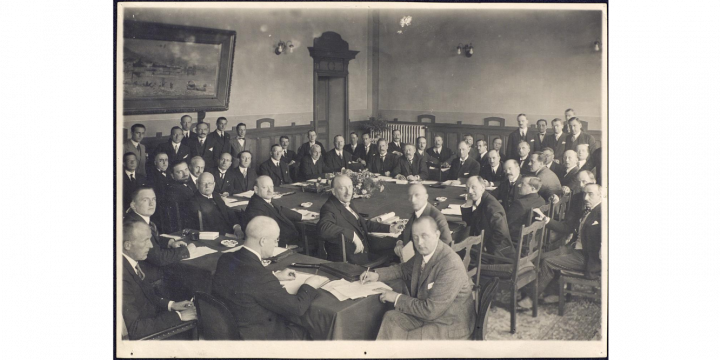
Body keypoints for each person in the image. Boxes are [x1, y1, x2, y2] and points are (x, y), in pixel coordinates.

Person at [212, 216, 329, 340]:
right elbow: (297, 308)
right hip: (260, 339)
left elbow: (245, 280)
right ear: (263, 241)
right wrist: (309, 285)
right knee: (312, 331)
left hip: (233, 331)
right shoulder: (261, 277)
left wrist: (274, 276)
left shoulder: (225, 258)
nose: (276, 244)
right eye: (275, 240)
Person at [362, 217, 475, 340]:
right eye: (415, 237)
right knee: (391, 318)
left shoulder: (450, 265)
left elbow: (430, 311)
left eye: (424, 236)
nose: (419, 242)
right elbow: (403, 270)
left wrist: (396, 297)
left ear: (437, 235)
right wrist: (377, 275)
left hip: (450, 324)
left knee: (405, 339)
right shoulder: (424, 253)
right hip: (431, 316)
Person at [521, 183, 602, 306]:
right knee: (542, 257)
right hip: (575, 248)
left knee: (548, 262)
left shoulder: (602, 212)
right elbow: (567, 227)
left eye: (590, 194)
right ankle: (553, 293)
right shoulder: (588, 210)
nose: (585, 198)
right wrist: (545, 219)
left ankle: (530, 299)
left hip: (589, 258)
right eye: (585, 193)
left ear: (600, 195)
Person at [122, 220, 196, 340]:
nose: (151, 246)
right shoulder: (121, 277)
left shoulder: (129, 262)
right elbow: (135, 329)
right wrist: (179, 316)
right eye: (145, 241)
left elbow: (146, 296)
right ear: (127, 245)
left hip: (152, 318)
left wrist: (172, 305)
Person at [317, 175, 403, 264]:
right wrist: (352, 235)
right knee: (397, 253)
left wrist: (390, 228)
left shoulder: (346, 202)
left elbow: (363, 223)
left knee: (399, 243)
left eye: (350, 187)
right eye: (342, 188)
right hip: (353, 258)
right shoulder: (329, 207)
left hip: (365, 246)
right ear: (333, 192)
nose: (348, 192)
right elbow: (323, 228)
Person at [124, 187, 195, 279]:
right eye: (145, 200)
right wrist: (185, 251)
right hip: (147, 275)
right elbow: (158, 258)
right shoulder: (136, 225)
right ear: (133, 205)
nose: (151, 203)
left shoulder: (137, 218)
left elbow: (151, 238)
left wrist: (170, 242)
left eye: (154, 199)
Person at [243, 176, 313, 248]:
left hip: (289, 238)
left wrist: (302, 216)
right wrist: (284, 246)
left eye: (271, 187)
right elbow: (260, 234)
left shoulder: (263, 200)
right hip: (283, 244)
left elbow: (280, 209)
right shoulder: (255, 207)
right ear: (256, 189)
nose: (270, 191)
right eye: (265, 187)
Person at [393, 184, 452, 261]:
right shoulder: (417, 213)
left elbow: (447, 243)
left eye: (417, 195)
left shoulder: (437, 217)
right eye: (410, 196)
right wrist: (399, 243)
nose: (413, 200)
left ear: (426, 197)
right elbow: (405, 233)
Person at [461, 176, 514, 258]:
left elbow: (501, 233)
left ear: (482, 187)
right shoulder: (483, 200)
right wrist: (468, 203)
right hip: (486, 246)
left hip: (498, 253)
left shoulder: (491, 207)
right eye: (467, 188)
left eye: (473, 187)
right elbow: (469, 222)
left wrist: (485, 247)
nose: (470, 191)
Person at [505, 177, 546, 243]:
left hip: (516, 239)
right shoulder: (541, 200)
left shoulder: (519, 204)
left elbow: (506, 224)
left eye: (522, 184)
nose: (518, 185)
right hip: (533, 238)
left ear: (532, 189)